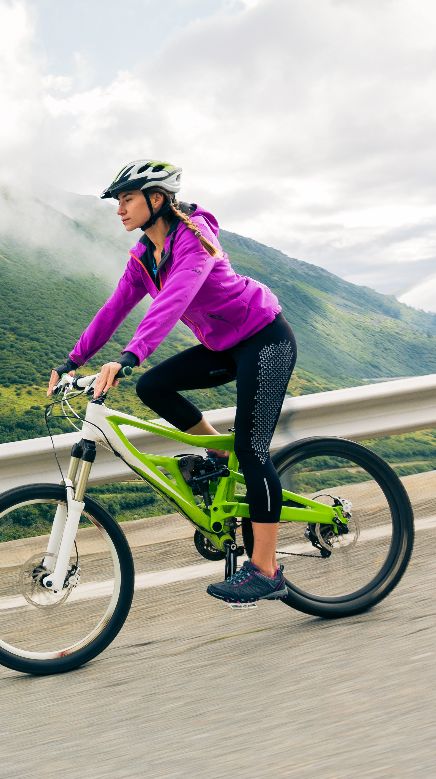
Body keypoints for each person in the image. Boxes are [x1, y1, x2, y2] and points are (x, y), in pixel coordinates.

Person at [47, 160, 297, 607]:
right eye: (118, 201)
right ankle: (219, 451)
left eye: (127, 199)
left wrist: (129, 357)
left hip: (264, 338)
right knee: (154, 387)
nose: (119, 209)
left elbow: (176, 298)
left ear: (156, 199)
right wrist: (72, 360)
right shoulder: (145, 256)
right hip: (223, 345)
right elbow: (115, 308)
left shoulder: (196, 240)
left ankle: (266, 569)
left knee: (254, 451)